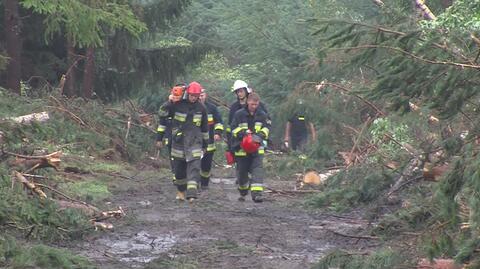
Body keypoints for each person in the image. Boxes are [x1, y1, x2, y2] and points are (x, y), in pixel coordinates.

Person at [156, 81, 209, 202]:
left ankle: (191, 194)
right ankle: (181, 191)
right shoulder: (177, 104)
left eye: (196, 96)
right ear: (187, 93)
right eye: (192, 95)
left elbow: (205, 128)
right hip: (179, 142)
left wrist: (205, 144)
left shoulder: (201, 108)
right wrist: (170, 102)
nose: (194, 98)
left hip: (195, 142)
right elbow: (162, 113)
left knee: (194, 168)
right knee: (179, 170)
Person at [230, 93, 270, 203]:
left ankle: (257, 194)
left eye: (256, 104)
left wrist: (259, 136)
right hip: (242, 149)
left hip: (257, 148)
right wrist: (243, 133)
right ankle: (243, 190)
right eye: (252, 104)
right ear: (248, 102)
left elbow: (267, 128)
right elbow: (233, 128)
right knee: (242, 173)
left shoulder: (262, 115)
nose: (254, 106)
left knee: (257, 170)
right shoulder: (239, 114)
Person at [226, 80, 268, 161]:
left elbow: (266, 124)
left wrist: (262, 137)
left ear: (246, 91)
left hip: (256, 143)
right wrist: (230, 147)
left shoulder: (259, 105)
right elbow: (230, 127)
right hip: (240, 145)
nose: (239, 94)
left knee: (256, 169)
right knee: (242, 171)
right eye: (237, 92)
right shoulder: (234, 107)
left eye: (241, 91)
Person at [157, 84, 186, 183]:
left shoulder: (187, 105)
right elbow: (161, 117)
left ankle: (185, 176)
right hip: (170, 137)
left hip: (185, 137)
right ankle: (175, 176)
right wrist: (159, 139)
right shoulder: (168, 105)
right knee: (173, 158)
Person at [198, 88, 224, 190]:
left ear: (206, 95)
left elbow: (219, 122)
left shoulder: (212, 108)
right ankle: (194, 184)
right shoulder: (192, 108)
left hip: (209, 143)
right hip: (195, 143)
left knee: (206, 166)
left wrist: (218, 133)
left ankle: (204, 184)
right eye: (198, 95)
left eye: (202, 95)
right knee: (194, 164)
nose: (200, 97)